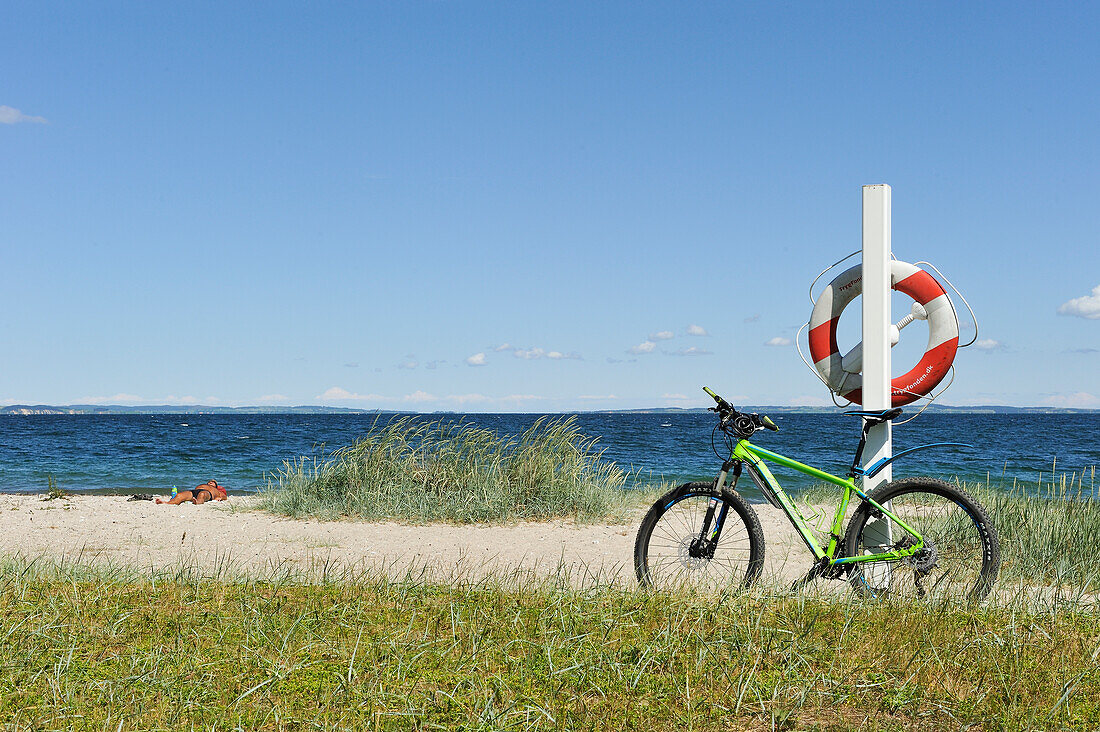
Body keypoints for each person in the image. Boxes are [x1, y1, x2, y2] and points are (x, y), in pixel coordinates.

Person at [156, 479, 229, 505]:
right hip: (194, 491)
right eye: (209, 482)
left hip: (207, 493)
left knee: (202, 495)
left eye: (212, 483)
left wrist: (220, 498)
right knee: (180, 495)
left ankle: (198, 502)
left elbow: (224, 496)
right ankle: (167, 503)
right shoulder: (204, 485)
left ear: (216, 486)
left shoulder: (217, 490)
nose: (210, 483)